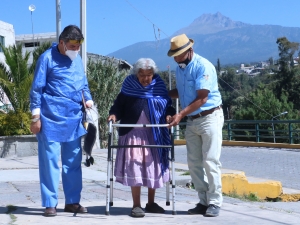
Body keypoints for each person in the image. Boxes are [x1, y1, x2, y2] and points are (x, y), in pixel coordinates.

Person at [30, 25, 93, 217]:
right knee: (50, 162)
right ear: (62, 43)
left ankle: (72, 201)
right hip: (50, 119)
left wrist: (89, 101)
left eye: (78, 46)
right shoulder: (46, 58)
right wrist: (35, 117)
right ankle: (50, 202)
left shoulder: (78, 59)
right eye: (72, 46)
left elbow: (83, 85)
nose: (76, 50)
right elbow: (36, 90)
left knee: (73, 161)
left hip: (73, 119)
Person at [107, 58, 175, 218]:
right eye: (142, 75)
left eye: (149, 75)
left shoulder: (158, 85)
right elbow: (119, 104)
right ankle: (136, 205)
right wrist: (114, 114)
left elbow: (167, 105)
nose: (146, 79)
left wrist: (169, 115)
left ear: (154, 74)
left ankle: (151, 203)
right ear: (136, 74)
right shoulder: (129, 85)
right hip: (133, 133)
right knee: (135, 166)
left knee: (153, 167)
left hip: (154, 133)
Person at [167, 34, 224, 217]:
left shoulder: (203, 66)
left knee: (210, 160)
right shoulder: (180, 69)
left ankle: (215, 201)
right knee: (194, 163)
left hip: (209, 117)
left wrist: (180, 114)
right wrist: (162, 94)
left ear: (189, 50)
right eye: (174, 55)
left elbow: (202, 98)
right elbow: (182, 92)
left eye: (179, 54)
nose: (176, 58)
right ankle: (203, 200)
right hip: (192, 120)